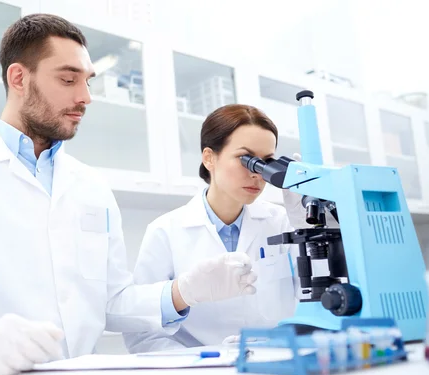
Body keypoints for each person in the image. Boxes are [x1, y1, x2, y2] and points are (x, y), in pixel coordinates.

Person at [0, 14, 259, 375]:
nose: (86, 97)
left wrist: (182, 291)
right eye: (68, 80)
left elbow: (111, 303)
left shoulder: (91, 187)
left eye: (88, 81)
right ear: (18, 78)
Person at [123, 104, 303, 353]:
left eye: (266, 162)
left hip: (275, 363)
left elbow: (320, 303)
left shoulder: (284, 221)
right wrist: (203, 364)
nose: (258, 175)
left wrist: (310, 226)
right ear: (209, 157)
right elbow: (141, 333)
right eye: (247, 160)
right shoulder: (165, 231)